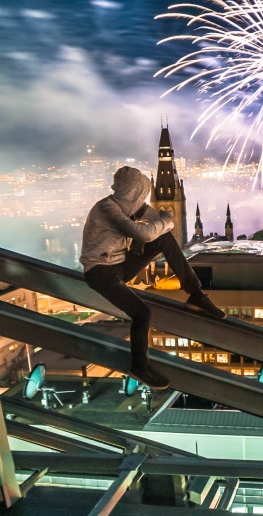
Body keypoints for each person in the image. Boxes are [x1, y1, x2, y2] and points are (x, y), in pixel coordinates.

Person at [80, 166, 225, 389]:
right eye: (140, 192)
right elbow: (148, 231)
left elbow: (163, 222)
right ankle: (139, 367)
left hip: (120, 266)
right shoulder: (108, 208)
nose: (142, 199)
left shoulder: (133, 207)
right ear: (132, 191)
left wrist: (157, 226)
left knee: (164, 239)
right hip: (100, 271)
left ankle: (196, 294)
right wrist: (153, 228)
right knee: (142, 314)